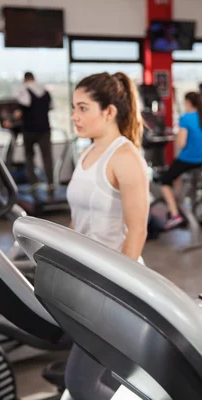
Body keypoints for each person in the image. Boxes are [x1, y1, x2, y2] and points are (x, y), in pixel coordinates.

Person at [67, 72, 149, 263]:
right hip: (86, 266)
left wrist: (120, 281)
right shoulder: (85, 154)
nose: (74, 117)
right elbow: (78, 220)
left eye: (83, 108)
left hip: (114, 272)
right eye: (74, 108)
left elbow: (137, 231)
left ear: (109, 112)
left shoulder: (126, 158)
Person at [160, 92, 202, 230]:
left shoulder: (185, 118)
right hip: (200, 160)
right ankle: (178, 202)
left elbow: (181, 144)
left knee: (164, 182)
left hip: (186, 160)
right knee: (177, 178)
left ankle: (175, 214)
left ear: (188, 103)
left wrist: (177, 133)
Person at [15, 72, 55, 194]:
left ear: (25, 80)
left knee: (29, 157)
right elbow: (51, 107)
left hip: (29, 130)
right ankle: (51, 183)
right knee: (47, 157)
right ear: (34, 78)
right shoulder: (45, 91)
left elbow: (19, 113)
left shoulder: (24, 91)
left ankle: (33, 184)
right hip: (44, 129)